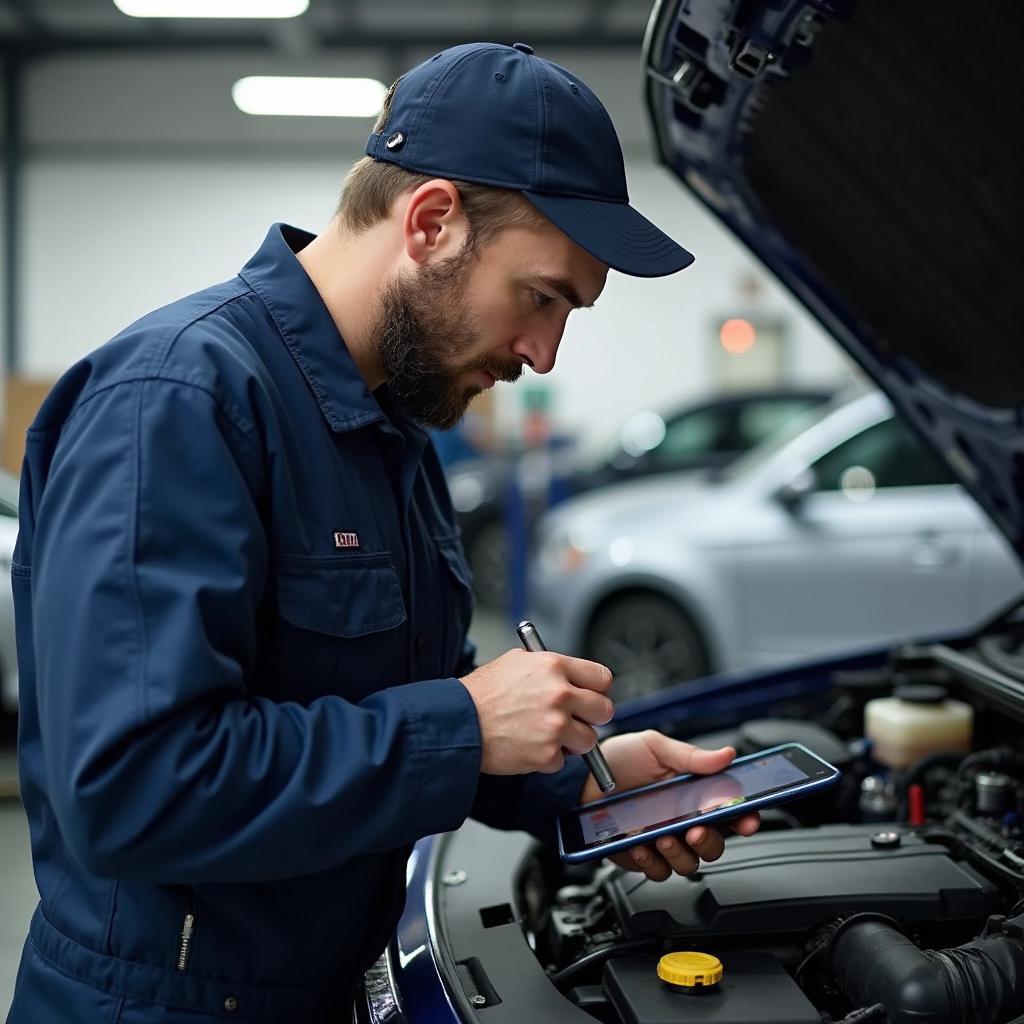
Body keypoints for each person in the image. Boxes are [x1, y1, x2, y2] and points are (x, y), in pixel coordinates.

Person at [6, 42, 758, 1023]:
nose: (542, 352)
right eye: (541, 297)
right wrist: (465, 723)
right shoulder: (181, 401)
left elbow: (400, 708)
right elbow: (133, 787)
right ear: (432, 220)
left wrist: (583, 783)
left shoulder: (389, 426)